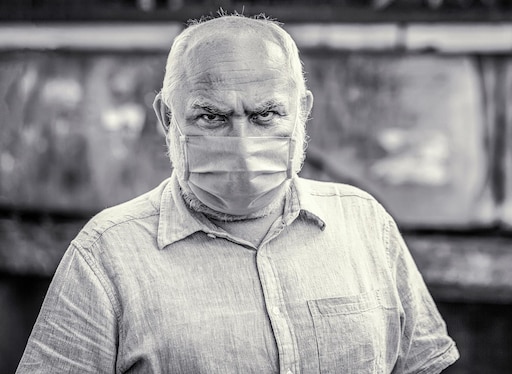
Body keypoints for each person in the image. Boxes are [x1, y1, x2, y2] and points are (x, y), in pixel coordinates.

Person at [16, 14, 459, 374]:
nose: (242, 143)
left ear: (302, 111)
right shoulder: (106, 255)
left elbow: (423, 364)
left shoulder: (365, 223)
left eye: (265, 114)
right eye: (212, 116)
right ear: (168, 119)